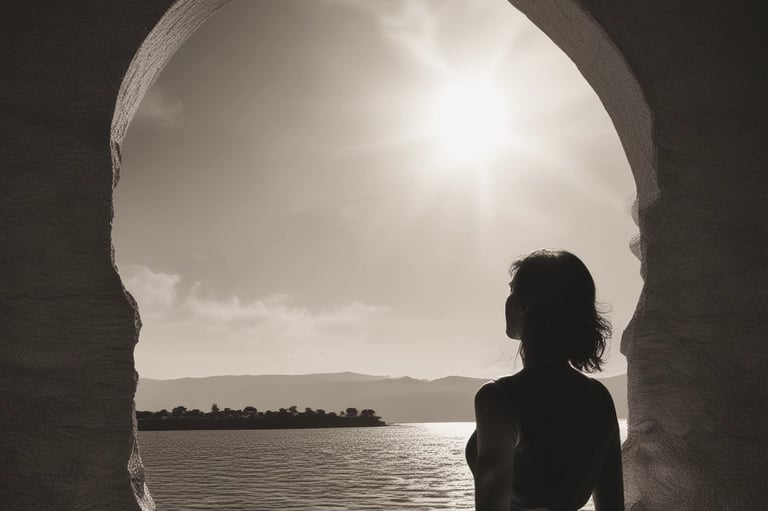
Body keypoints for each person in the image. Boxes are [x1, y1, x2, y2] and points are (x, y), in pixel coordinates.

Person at [466, 249, 624, 511]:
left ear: (525, 305)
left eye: (512, 290)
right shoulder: (599, 398)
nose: (507, 300)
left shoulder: (497, 398)